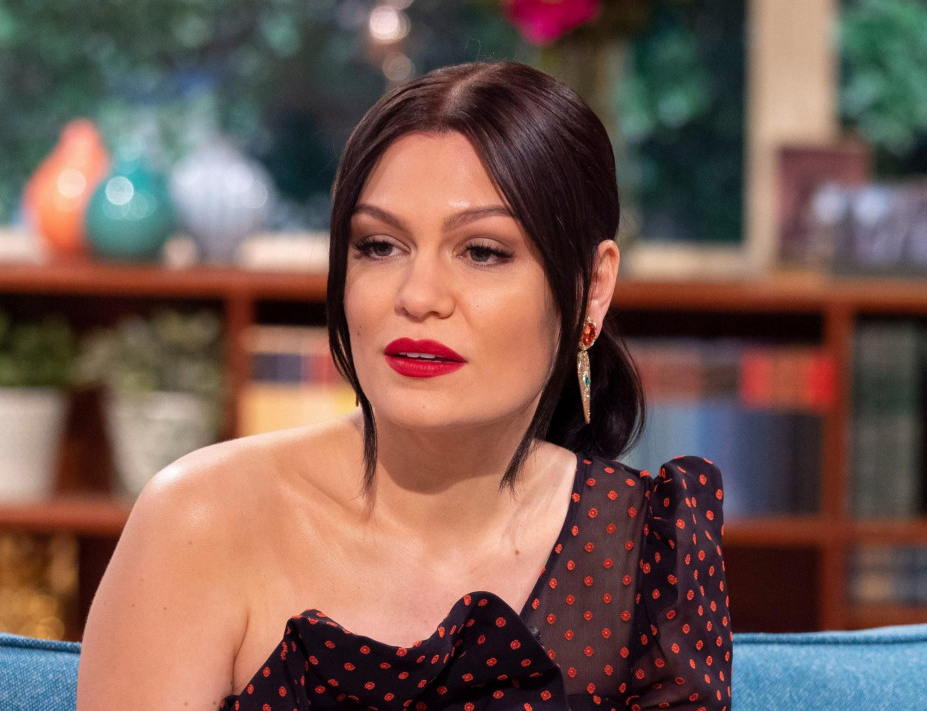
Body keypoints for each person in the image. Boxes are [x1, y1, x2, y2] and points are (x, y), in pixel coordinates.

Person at [76, 61, 731, 711]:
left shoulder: (650, 554)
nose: (417, 297)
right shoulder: (198, 522)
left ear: (592, 288)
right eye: (380, 246)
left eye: (482, 251)